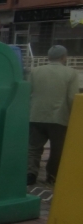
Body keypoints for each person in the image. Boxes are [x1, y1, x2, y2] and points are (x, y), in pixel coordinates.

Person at [27, 45, 79, 185]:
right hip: (59, 118)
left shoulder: (35, 71)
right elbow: (71, 98)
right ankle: (52, 175)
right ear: (63, 57)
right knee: (57, 149)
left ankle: (31, 173)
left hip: (36, 115)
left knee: (33, 147)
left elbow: (28, 93)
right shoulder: (71, 73)